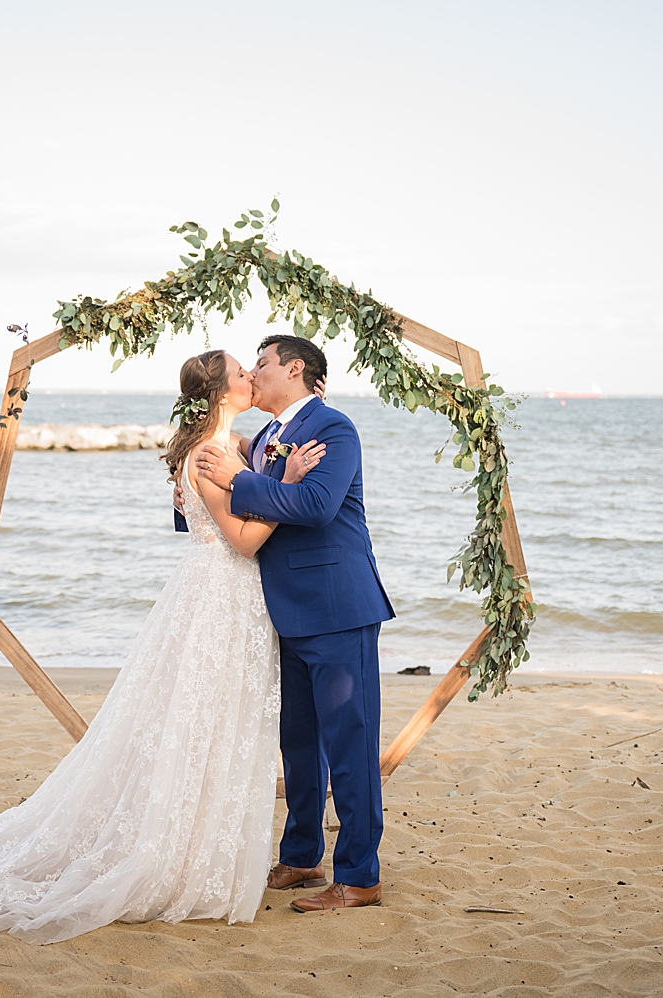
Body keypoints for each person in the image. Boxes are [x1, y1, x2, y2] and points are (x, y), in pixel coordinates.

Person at [0, 349, 323, 943]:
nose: (249, 377)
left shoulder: (236, 447)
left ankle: (203, 846)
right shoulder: (209, 455)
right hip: (221, 595)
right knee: (201, 721)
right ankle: (180, 856)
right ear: (218, 392)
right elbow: (239, 541)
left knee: (216, 723)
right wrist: (287, 488)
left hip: (229, 601)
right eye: (241, 372)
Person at [196, 334, 395, 912]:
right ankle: (303, 856)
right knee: (299, 743)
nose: (253, 373)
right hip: (281, 611)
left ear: (296, 369)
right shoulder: (261, 439)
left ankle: (359, 877)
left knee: (351, 744)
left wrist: (235, 479)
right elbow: (237, 520)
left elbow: (314, 506)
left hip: (337, 607)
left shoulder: (335, 429)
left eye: (262, 363)